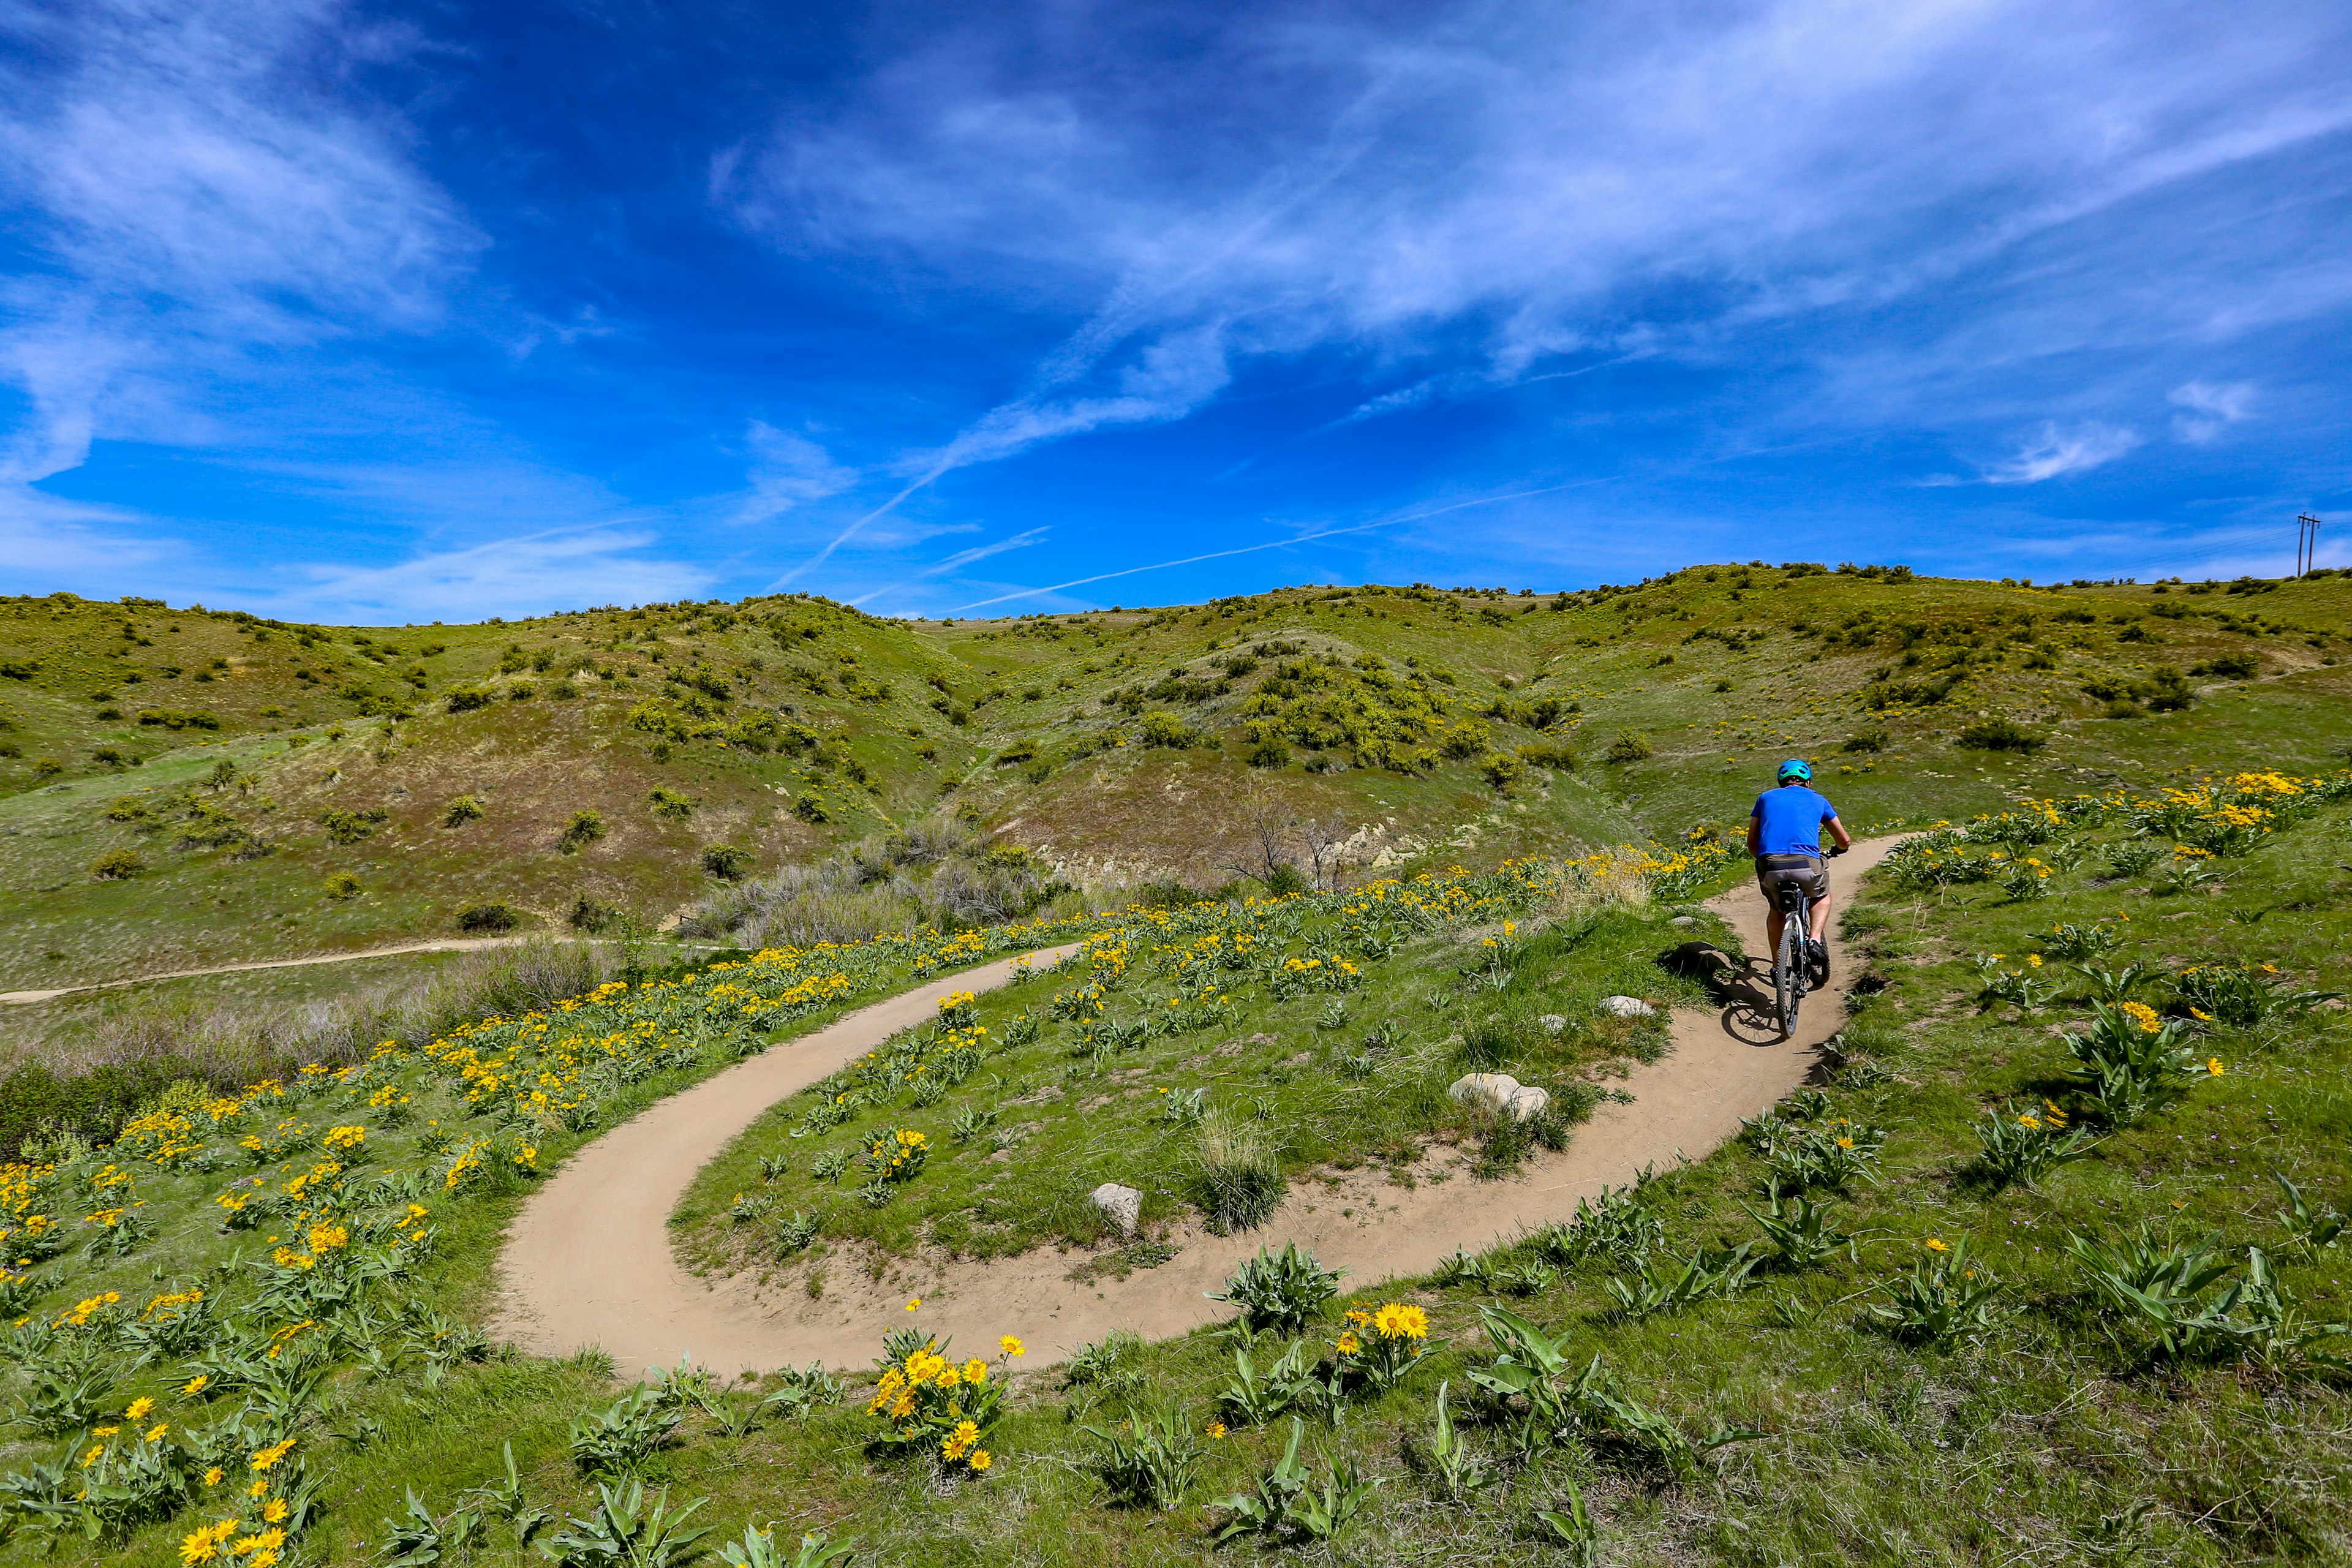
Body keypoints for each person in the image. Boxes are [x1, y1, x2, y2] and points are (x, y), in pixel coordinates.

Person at [1747, 758, 1852, 982]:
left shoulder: (1765, 798)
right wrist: (1838, 850)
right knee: (1821, 895)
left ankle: (1777, 967)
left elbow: (1752, 844)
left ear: (1781, 781)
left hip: (1771, 863)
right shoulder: (1818, 800)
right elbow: (1844, 840)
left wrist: (1765, 860)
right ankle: (1814, 939)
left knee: (1777, 911)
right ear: (1808, 782)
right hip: (1806, 863)